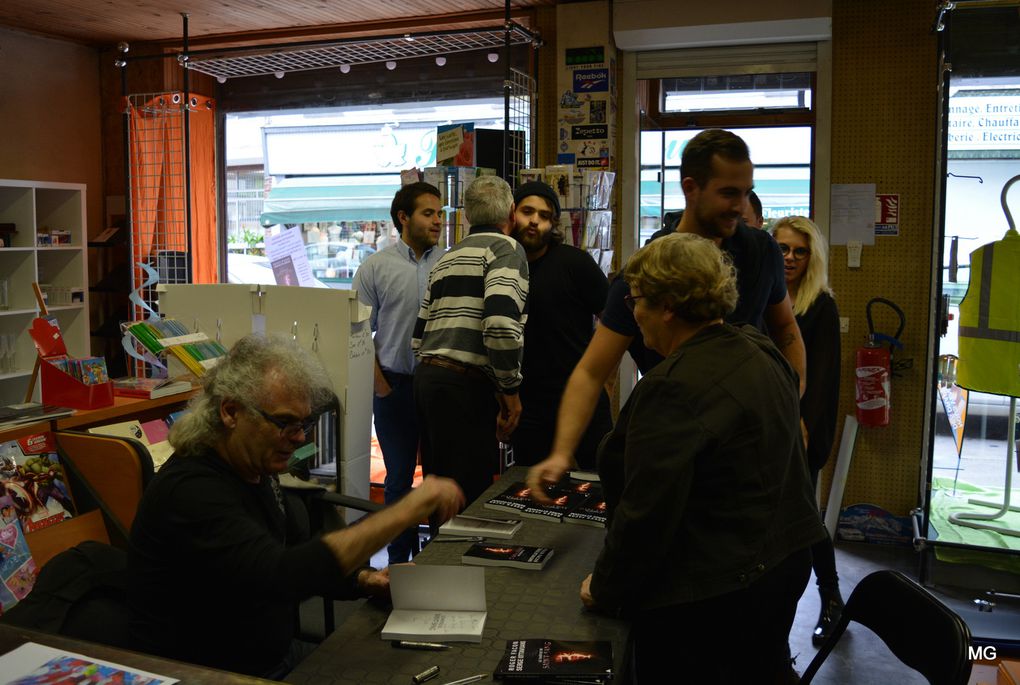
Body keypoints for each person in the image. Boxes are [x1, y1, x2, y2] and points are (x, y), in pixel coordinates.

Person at [128, 334, 464, 678]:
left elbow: (297, 554)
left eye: (304, 424)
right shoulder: (191, 492)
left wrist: (363, 579)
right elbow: (282, 574)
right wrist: (405, 511)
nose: (301, 437)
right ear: (230, 412)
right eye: (285, 423)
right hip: (208, 673)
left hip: (268, 658)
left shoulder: (254, 468)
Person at [579, 234, 825, 684]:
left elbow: (647, 514)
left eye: (638, 301)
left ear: (668, 306)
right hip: (781, 570)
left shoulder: (674, 386)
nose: (635, 315)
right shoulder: (758, 348)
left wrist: (606, 587)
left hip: (717, 596)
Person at [529, 128, 806, 492]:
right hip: (679, 445)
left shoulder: (761, 253)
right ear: (691, 188)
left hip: (750, 448)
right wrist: (562, 453)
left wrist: (790, 405)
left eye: (745, 192)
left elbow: (786, 331)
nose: (740, 206)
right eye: (728, 193)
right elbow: (591, 371)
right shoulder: (650, 270)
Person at [412, 175, 529, 505]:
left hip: (428, 379)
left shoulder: (448, 257)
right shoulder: (506, 249)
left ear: (466, 216)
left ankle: (433, 555)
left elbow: (418, 335)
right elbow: (501, 324)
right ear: (510, 212)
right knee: (470, 496)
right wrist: (509, 389)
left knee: (439, 493)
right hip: (464, 386)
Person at [353, 182, 444, 564]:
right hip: (395, 385)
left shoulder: (452, 262)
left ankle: (441, 559)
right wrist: (381, 385)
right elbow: (356, 329)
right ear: (403, 218)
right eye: (428, 213)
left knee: (443, 476)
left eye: (440, 214)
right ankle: (398, 563)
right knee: (398, 480)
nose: (438, 221)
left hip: (441, 386)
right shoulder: (376, 267)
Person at [772, 215, 845, 645]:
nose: (790, 258)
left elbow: (823, 379)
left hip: (802, 431)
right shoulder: (765, 296)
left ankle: (831, 598)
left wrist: (806, 432)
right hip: (764, 426)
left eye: (800, 251)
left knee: (804, 520)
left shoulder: (821, 305)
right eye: (782, 249)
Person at [509, 181, 611, 468]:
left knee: (599, 483)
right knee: (530, 490)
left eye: (544, 216)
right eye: (528, 211)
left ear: (552, 224)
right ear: (512, 214)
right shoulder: (501, 266)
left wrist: (605, 378)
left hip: (581, 397)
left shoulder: (574, 262)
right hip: (527, 404)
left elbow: (614, 319)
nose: (534, 221)